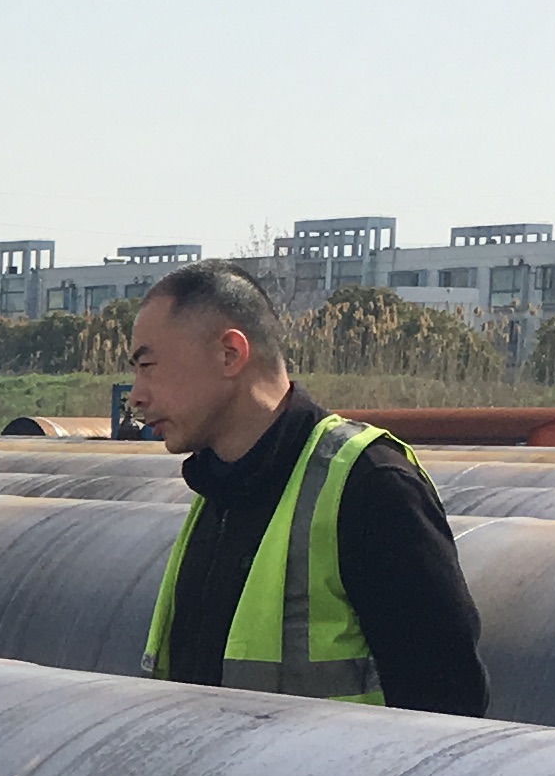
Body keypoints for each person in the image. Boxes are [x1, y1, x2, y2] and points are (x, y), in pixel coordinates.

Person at [125, 262, 484, 715]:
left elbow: (448, 704)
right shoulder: (216, 492)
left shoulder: (369, 486)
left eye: (148, 366)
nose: (136, 395)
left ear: (230, 354)